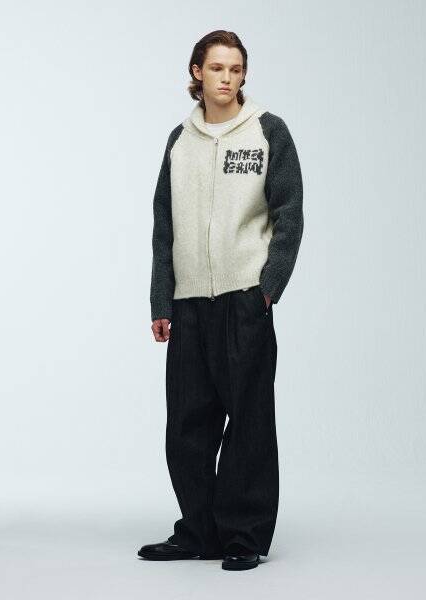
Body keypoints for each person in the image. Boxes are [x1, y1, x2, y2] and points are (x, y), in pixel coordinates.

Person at [138, 30, 304, 571]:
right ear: (197, 73)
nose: (227, 78)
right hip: (189, 303)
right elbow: (163, 227)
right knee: (187, 425)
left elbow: (289, 214)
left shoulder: (267, 132)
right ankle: (197, 532)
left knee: (249, 422)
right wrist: (162, 301)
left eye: (235, 69)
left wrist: (268, 287)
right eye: (217, 68)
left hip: (244, 298)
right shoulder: (179, 141)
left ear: (243, 75)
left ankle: (242, 536)